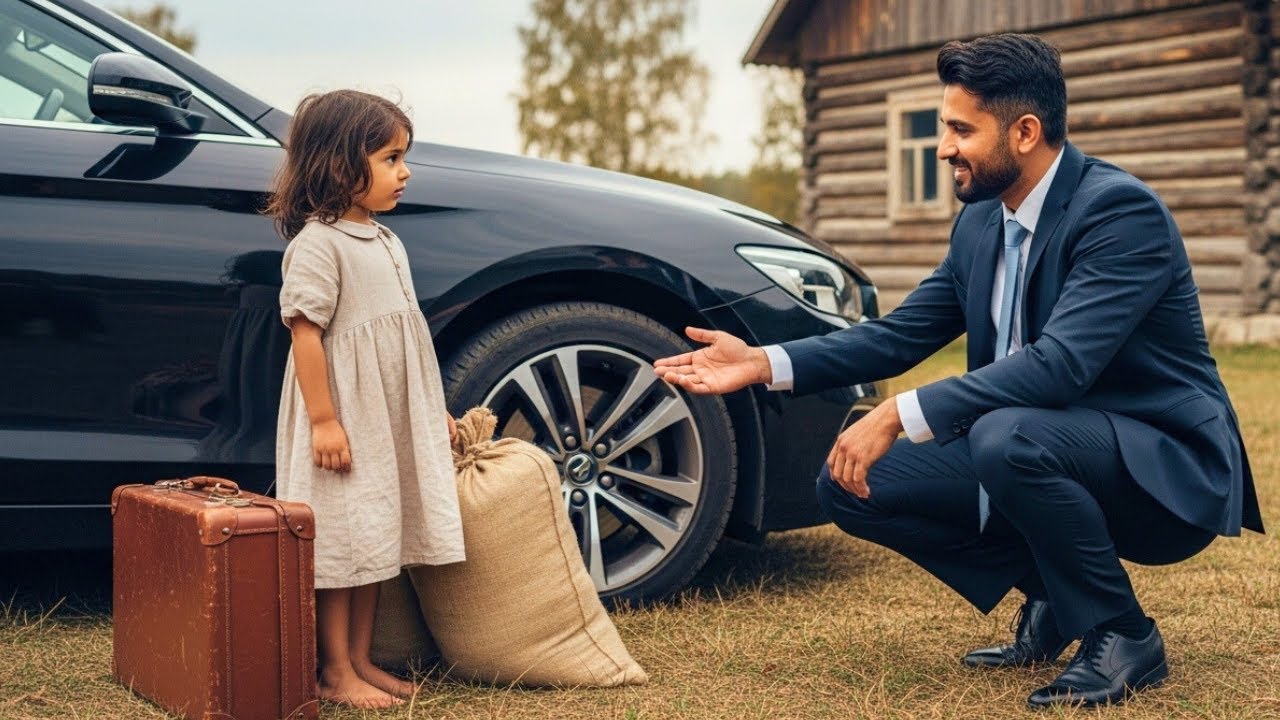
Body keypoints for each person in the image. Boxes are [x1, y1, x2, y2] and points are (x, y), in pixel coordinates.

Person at [654, 33, 1263, 710]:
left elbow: (1059, 367)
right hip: (1041, 443)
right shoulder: (979, 222)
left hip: (1160, 466)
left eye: (959, 129)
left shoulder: (1119, 215)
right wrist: (764, 361)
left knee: (1007, 437)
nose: (944, 147)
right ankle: (1057, 596)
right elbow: (900, 335)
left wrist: (895, 413)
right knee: (847, 481)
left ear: (1025, 132)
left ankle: (1124, 635)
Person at [266, 90, 465, 709]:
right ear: (337, 163)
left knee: (375, 540)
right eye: (389, 158)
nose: (404, 172)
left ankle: (359, 660)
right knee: (341, 546)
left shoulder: (384, 241)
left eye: (404, 157)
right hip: (344, 424)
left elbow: (404, 344)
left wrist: (431, 413)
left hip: (386, 421)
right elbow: (305, 335)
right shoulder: (317, 245)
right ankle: (332, 671)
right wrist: (325, 422)